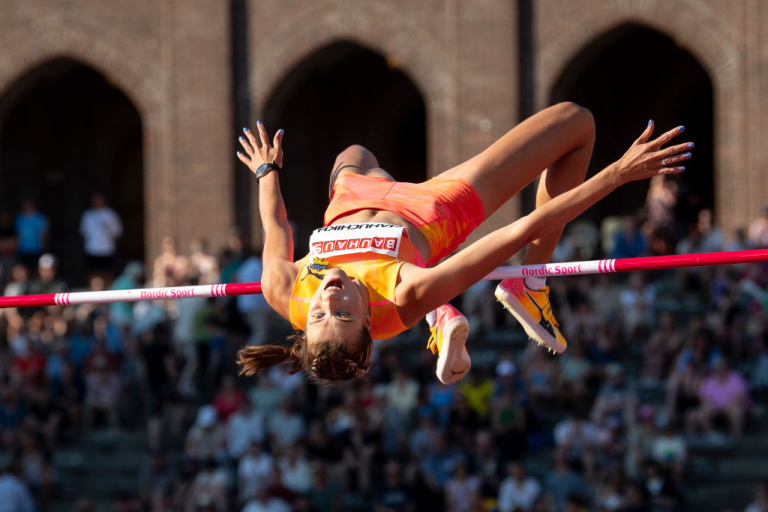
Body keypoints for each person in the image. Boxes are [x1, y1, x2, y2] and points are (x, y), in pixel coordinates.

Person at [236, 111, 692, 385]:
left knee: (352, 153)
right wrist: (617, 174)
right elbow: (522, 228)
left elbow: (275, 222)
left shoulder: (284, 288)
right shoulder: (400, 298)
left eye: (320, 314)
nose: (330, 299)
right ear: (369, 322)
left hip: (353, 196)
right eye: (344, 314)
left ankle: (445, 317)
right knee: (576, 123)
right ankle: (530, 284)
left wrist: (265, 171)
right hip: (434, 210)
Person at [79, 192, 123, 278]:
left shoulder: (111, 214)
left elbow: (118, 232)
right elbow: (83, 232)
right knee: (92, 272)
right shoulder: (88, 215)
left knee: (108, 272)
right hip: (91, 249)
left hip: (107, 249)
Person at [14, 199, 48, 270]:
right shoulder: (19, 218)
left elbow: (44, 233)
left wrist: (45, 247)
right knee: (24, 269)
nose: (28, 206)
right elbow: (17, 235)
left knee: (36, 269)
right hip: (23, 250)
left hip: (36, 249)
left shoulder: (40, 217)